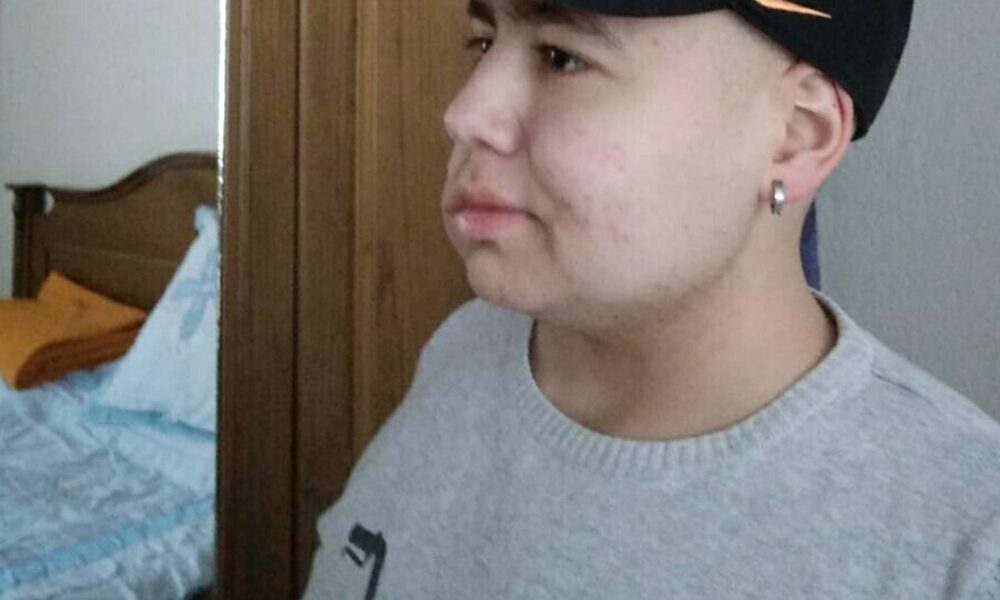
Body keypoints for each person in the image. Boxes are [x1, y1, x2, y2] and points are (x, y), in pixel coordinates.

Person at [303, 1, 1000, 597]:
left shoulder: (964, 545)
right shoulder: (465, 351)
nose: (465, 113)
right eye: (483, 42)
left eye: (562, 57)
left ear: (796, 134)